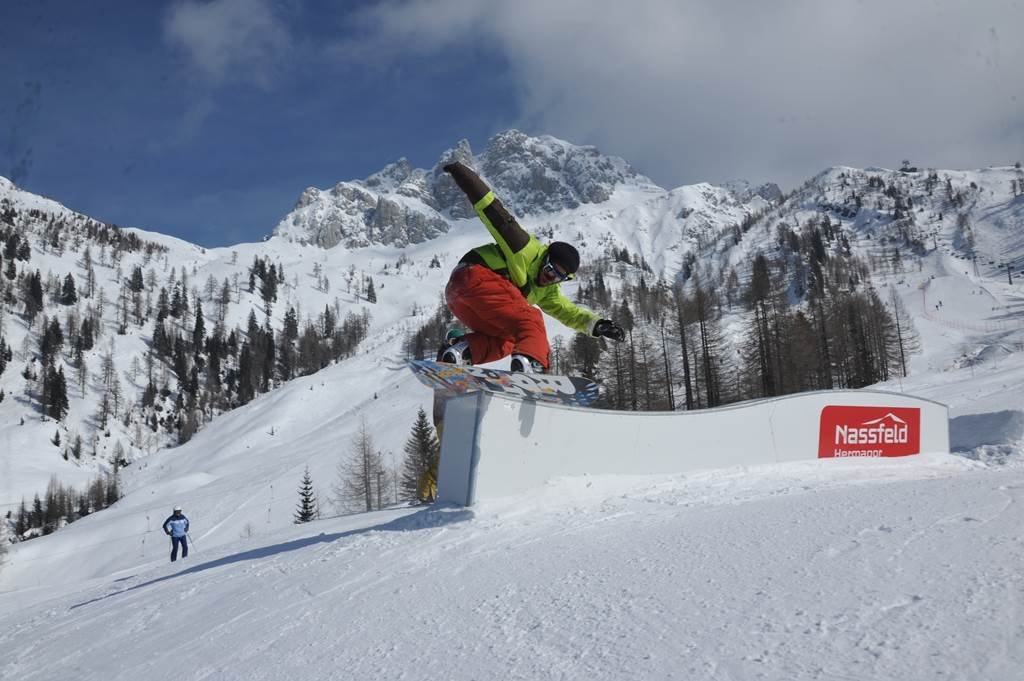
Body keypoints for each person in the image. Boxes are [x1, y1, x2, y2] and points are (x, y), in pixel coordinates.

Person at [439, 161, 625, 373]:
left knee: (508, 340)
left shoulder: (548, 292)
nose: (549, 278)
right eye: (549, 270)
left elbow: (570, 313)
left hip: (459, 299)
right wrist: (463, 175)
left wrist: (598, 325)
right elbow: (493, 212)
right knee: (530, 318)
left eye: (557, 277)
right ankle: (533, 365)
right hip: (474, 276)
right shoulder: (524, 248)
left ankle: (460, 351)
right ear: (544, 258)